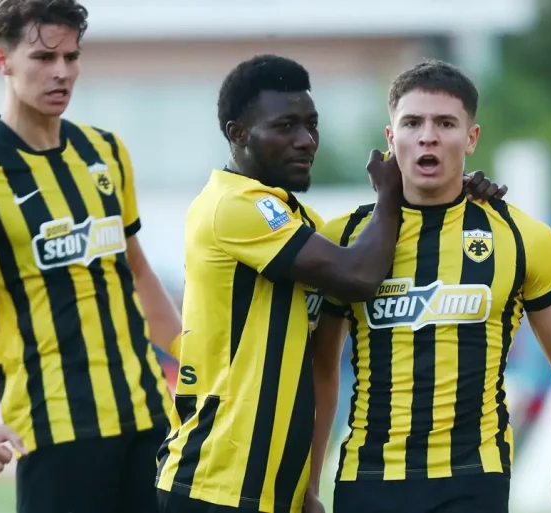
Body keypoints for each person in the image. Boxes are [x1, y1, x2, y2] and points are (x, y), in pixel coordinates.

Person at [153, 54, 508, 513]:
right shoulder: (232, 205)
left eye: (311, 125)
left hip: (268, 489)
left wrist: (458, 195)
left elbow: (370, 255)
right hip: (214, 481)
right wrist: (389, 192)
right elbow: (359, 276)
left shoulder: (298, 220)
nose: (305, 141)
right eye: (285, 127)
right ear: (237, 134)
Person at [0, 1, 180, 512]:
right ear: (2, 60)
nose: (62, 72)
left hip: (149, 417)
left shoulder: (106, 153)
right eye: (42, 57)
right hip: (55, 432)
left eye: (71, 57)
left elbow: (138, 274)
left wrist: (193, 360)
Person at [308, 59, 551, 513]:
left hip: (473, 479)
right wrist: (308, 485)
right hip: (368, 478)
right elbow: (320, 369)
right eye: (412, 123)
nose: (428, 136)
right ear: (391, 138)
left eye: (445, 123)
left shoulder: (523, 238)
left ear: (471, 137)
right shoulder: (344, 238)